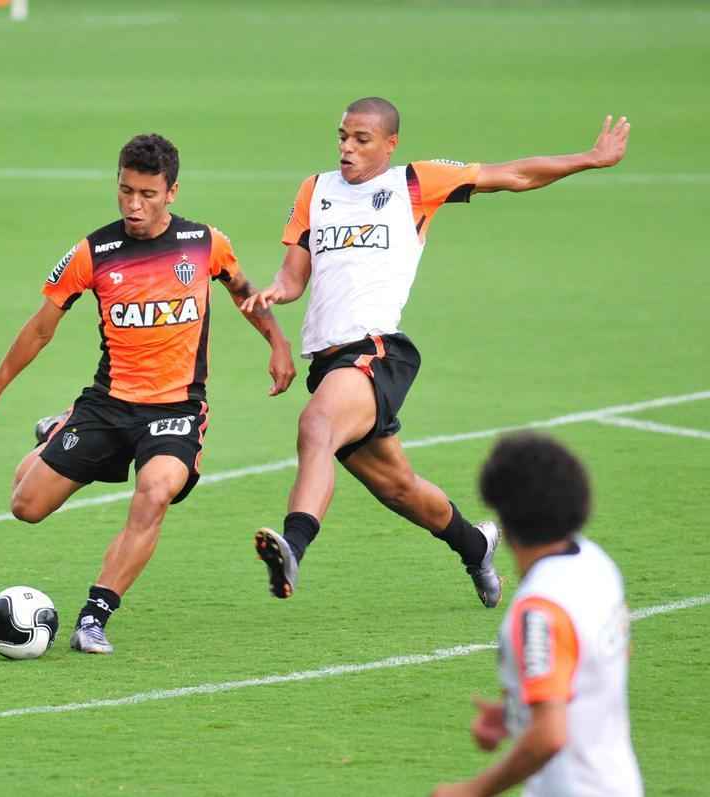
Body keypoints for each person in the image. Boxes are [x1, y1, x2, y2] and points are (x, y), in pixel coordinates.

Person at [241, 97, 630, 606]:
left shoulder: (414, 182)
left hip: (377, 351)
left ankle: (293, 546)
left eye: (361, 139)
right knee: (398, 488)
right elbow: (294, 276)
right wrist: (276, 290)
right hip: (329, 363)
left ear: (390, 144)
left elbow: (513, 175)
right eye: (342, 137)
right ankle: (476, 546)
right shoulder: (315, 190)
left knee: (316, 426)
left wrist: (589, 159)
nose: (347, 148)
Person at [0, 133, 295, 654]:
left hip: (176, 408)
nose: (134, 205)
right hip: (109, 404)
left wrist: (278, 343)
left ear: (172, 192)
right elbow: (41, 329)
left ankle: (94, 616)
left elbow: (243, 292)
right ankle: (60, 430)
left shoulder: (205, 243)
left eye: (147, 194)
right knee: (26, 506)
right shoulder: (93, 252)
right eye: (125, 191)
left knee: (155, 491)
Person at [431, 432, 642, 796]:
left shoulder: (538, 611)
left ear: (506, 517)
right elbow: (603, 660)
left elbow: (549, 736)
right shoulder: (597, 563)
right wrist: (518, 711)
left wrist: (471, 790)